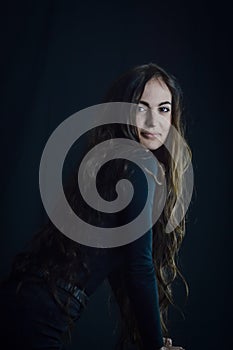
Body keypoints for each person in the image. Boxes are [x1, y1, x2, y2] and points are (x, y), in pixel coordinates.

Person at [0, 63, 191, 350]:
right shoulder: (136, 166)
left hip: (27, 300)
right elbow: (139, 267)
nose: (154, 121)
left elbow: (123, 265)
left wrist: (146, 337)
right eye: (141, 107)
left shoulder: (114, 163)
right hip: (39, 310)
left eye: (163, 109)